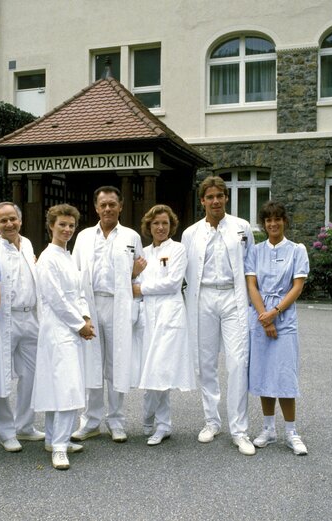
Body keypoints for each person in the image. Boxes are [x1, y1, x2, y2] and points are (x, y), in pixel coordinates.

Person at [182, 175, 256, 455]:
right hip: (203, 298)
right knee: (206, 363)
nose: (216, 201)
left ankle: (239, 430)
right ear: (202, 201)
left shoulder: (241, 227)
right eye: (210, 197)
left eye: (220, 196)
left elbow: (250, 266)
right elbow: (181, 270)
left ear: (226, 198)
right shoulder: (190, 233)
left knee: (238, 362)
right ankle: (211, 421)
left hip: (233, 297)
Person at [71, 186, 143, 443]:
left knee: (116, 364)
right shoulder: (84, 237)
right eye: (103, 205)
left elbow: (140, 273)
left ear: (120, 206)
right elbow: (75, 273)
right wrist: (80, 312)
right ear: (96, 208)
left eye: (112, 204)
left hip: (118, 305)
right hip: (90, 304)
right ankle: (90, 421)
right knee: (91, 363)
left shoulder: (131, 236)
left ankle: (116, 421)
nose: (108, 209)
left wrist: (133, 277)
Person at [33, 204, 96, 470]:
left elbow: (79, 292)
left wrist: (86, 317)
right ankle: (59, 446)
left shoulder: (68, 257)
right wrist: (79, 324)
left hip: (72, 327)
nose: (67, 229)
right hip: (57, 329)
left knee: (62, 384)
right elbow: (55, 298)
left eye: (71, 225)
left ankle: (54, 439)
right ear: (51, 226)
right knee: (65, 387)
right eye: (62, 225)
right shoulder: (48, 258)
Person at [245, 201, 309, 456]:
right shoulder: (255, 251)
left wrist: (275, 313)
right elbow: (252, 285)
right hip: (260, 316)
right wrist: (265, 317)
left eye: (277, 219)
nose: (273, 224)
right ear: (264, 224)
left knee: (284, 373)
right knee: (264, 372)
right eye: (268, 220)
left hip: (284, 317)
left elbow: (297, 286)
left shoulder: (297, 250)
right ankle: (268, 428)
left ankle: (291, 432)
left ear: (285, 221)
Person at [132, 205, 196, 446]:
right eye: (156, 223)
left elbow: (172, 283)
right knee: (149, 369)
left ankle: (162, 424)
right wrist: (134, 276)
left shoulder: (177, 249)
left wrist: (141, 289)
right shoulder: (144, 253)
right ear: (149, 226)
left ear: (171, 226)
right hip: (147, 315)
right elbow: (132, 280)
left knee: (160, 369)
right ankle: (152, 418)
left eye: (165, 223)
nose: (160, 227)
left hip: (170, 314)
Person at [0, 202, 45, 452]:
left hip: (30, 317)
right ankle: (5, 431)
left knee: (32, 375)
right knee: (1, 376)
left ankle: (25, 425)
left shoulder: (28, 244)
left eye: (13, 219)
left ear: (20, 220)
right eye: (3, 220)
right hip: (4, 318)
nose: (9, 224)